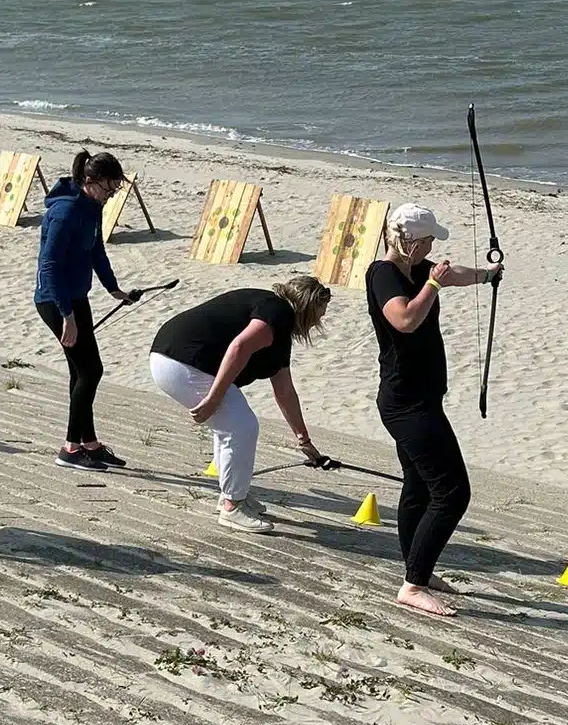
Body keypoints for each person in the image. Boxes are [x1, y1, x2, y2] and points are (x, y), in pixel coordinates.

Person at [365, 203, 501, 618]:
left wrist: (486, 275)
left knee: (419, 487)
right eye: (426, 241)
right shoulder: (383, 274)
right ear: (408, 241)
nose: (430, 249)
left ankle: (417, 570)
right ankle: (413, 585)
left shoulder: (418, 268)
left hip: (422, 398)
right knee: (453, 492)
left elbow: (450, 272)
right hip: (405, 403)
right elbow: (404, 319)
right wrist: (433, 286)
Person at [150, 277, 330, 532]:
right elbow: (239, 347)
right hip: (182, 362)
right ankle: (232, 507)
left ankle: (232, 497)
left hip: (170, 357)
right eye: (321, 310)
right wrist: (213, 398)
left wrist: (304, 439)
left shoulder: (274, 318)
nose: (321, 317)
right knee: (242, 427)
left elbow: (285, 391)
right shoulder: (279, 312)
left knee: (230, 425)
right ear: (307, 306)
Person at [33, 150, 139, 468]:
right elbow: (49, 265)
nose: (110, 195)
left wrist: (114, 290)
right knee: (91, 370)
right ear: (90, 181)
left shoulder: (93, 207)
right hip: (55, 301)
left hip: (77, 298)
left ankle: (89, 444)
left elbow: (96, 252)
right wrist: (67, 315)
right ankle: (70, 448)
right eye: (109, 188)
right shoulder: (65, 212)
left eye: (115, 189)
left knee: (81, 372)